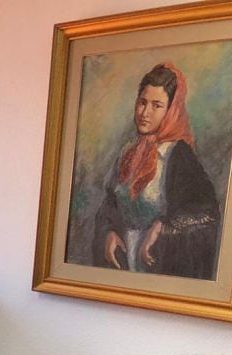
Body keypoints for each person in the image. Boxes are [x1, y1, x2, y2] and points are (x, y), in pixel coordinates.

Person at [93, 62, 220, 279]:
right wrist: (109, 233)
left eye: (156, 105)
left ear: (172, 110)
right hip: (123, 265)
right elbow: (109, 206)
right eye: (142, 102)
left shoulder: (179, 156)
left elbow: (206, 213)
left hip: (158, 265)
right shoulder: (128, 153)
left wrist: (164, 228)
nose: (145, 112)